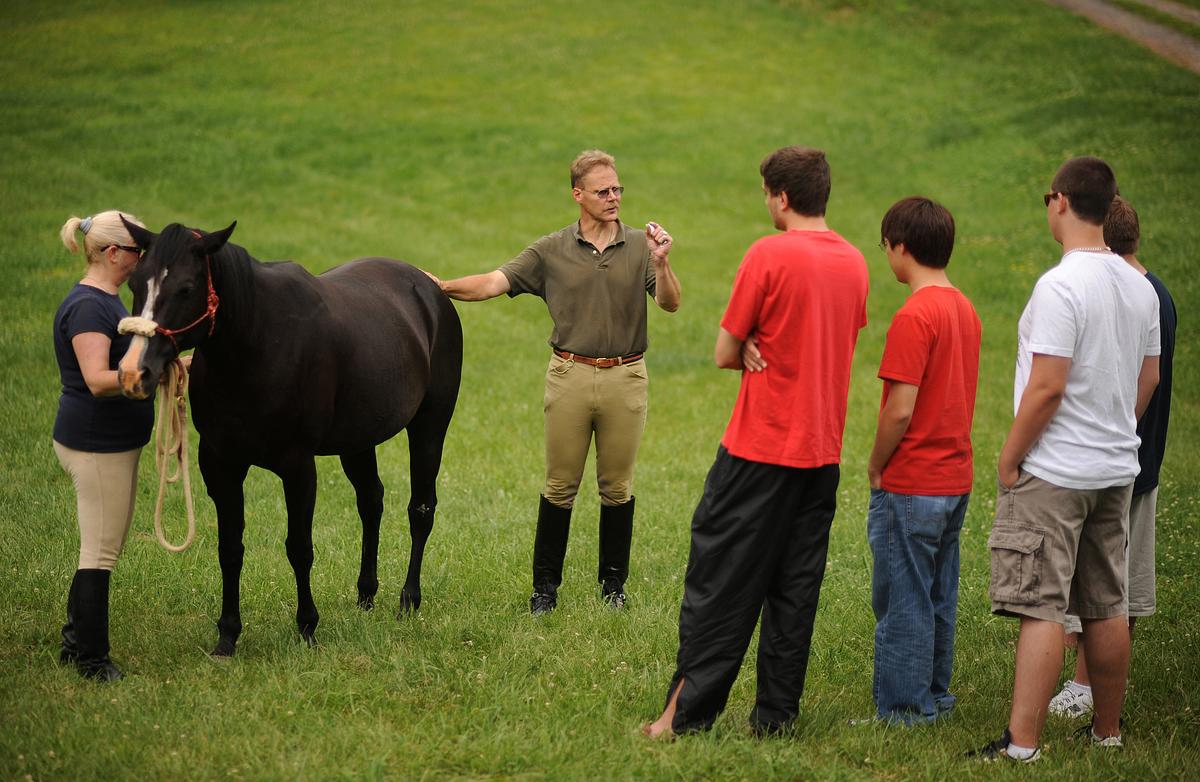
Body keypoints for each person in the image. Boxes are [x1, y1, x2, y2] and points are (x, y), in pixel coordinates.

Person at [643, 146, 868, 738]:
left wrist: (743, 346)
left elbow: (722, 350)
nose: (766, 202)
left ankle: (681, 718)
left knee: (719, 582)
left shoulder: (769, 253)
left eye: (767, 193)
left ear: (783, 197)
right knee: (795, 591)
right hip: (822, 455)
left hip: (759, 451)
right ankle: (775, 720)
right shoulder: (854, 262)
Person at [428, 150, 680, 614]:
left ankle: (613, 588)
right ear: (577, 195)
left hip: (626, 376)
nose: (613, 198)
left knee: (617, 487)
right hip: (569, 375)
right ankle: (545, 590)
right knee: (560, 485)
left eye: (617, 189)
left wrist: (663, 263)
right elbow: (492, 282)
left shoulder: (641, 245)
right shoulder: (550, 250)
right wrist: (440, 286)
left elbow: (670, 303)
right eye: (602, 191)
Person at [969, 158, 1160, 762]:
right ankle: (1107, 732)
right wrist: (1113, 427)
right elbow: (1148, 374)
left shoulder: (1060, 284)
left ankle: (1021, 745)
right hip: (1114, 468)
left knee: (1042, 605)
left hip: (1055, 470)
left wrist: (1009, 455)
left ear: (1058, 202)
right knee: (1107, 603)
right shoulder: (1138, 284)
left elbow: (1047, 386)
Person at [1048, 195, 1177, 718]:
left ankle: (1086, 686)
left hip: (1120, 462)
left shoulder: (1136, 295)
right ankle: (1096, 698)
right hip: (1132, 459)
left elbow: (1144, 380)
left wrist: (1110, 431)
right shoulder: (1154, 293)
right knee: (1112, 579)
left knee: (1108, 585)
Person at [866, 197, 980, 724]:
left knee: (904, 598)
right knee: (938, 593)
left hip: (912, 480)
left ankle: (905, 710)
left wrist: (875, 465)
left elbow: (899, 409)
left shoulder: (915, 314)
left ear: (902, 248)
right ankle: (935, 693)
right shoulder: (964, 308)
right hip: (955, 478)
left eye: (886, 247)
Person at [53, 210, 155, 680]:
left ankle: (76, 643)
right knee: (99, 551)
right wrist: (143, 376)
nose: (142, 258)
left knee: (103, 545)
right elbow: (96, 379)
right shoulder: (91, 307)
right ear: (113, 253)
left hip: (111, 441)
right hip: (96, 444)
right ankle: (91, 661)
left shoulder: (109, 301)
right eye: (137, 250)